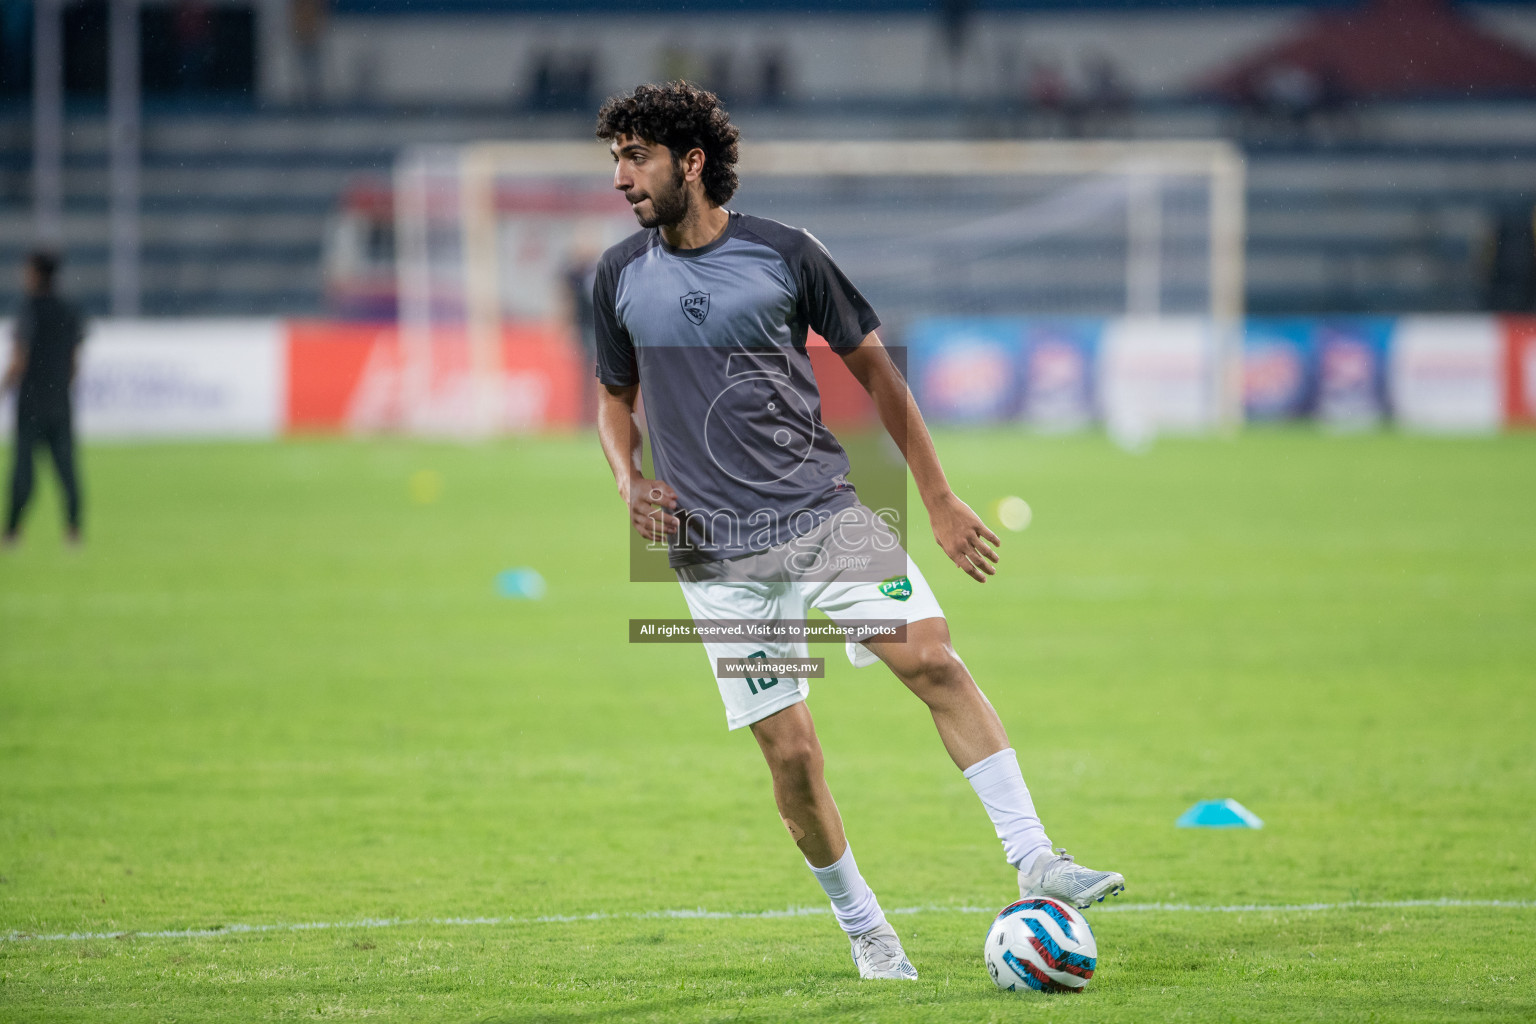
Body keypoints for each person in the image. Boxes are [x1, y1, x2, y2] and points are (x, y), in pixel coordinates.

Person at [591, 82, 1123, 981]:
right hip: (713, 555)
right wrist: (628, 479)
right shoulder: (618, 276)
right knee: (792, 753)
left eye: (634, 157)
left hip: (821, 514)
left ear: (690, 163)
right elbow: (613, 397)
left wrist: (941, 498)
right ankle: (866, 928)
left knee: (932, 658)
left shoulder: (787, 255)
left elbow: (878, 376)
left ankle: (1035, 856)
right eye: (614, 160)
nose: (619, 178)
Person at [3, 251, 86, 547]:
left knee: (23, 470)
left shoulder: (29, 310)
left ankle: (12, 532)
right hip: (59, 402)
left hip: (31, 403)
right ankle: (74, 532)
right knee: (66, 469)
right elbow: (76, 361)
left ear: (36, 274)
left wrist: (4, 388)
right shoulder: (69, 310)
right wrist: (62, 387)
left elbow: (19, 359)